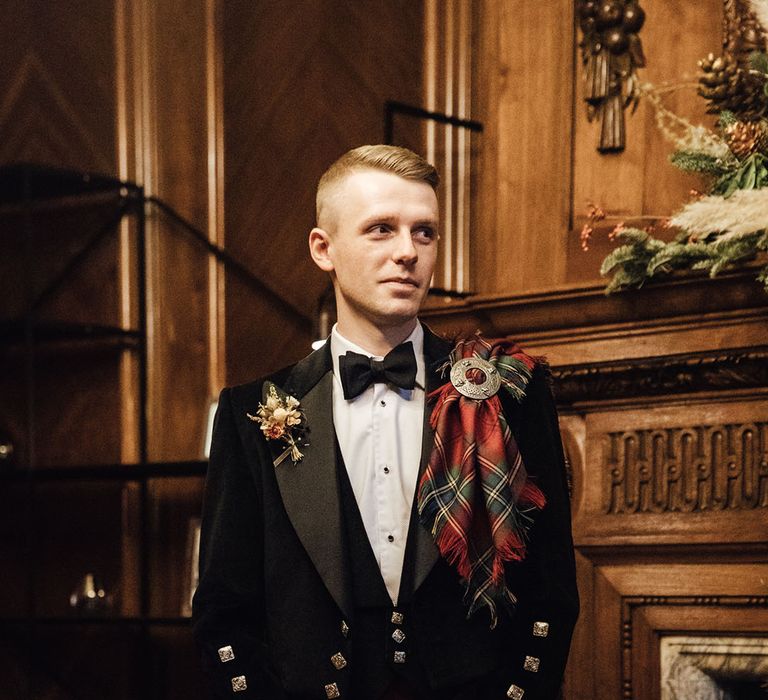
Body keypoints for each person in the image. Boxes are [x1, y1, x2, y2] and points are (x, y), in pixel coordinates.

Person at [192, 145, 579, 700]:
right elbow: (224, 610)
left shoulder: (509, 391)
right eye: (381, 229)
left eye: (425, 233)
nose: (408, 253)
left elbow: (550, 592)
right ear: (323, 248)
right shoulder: (252, 411)